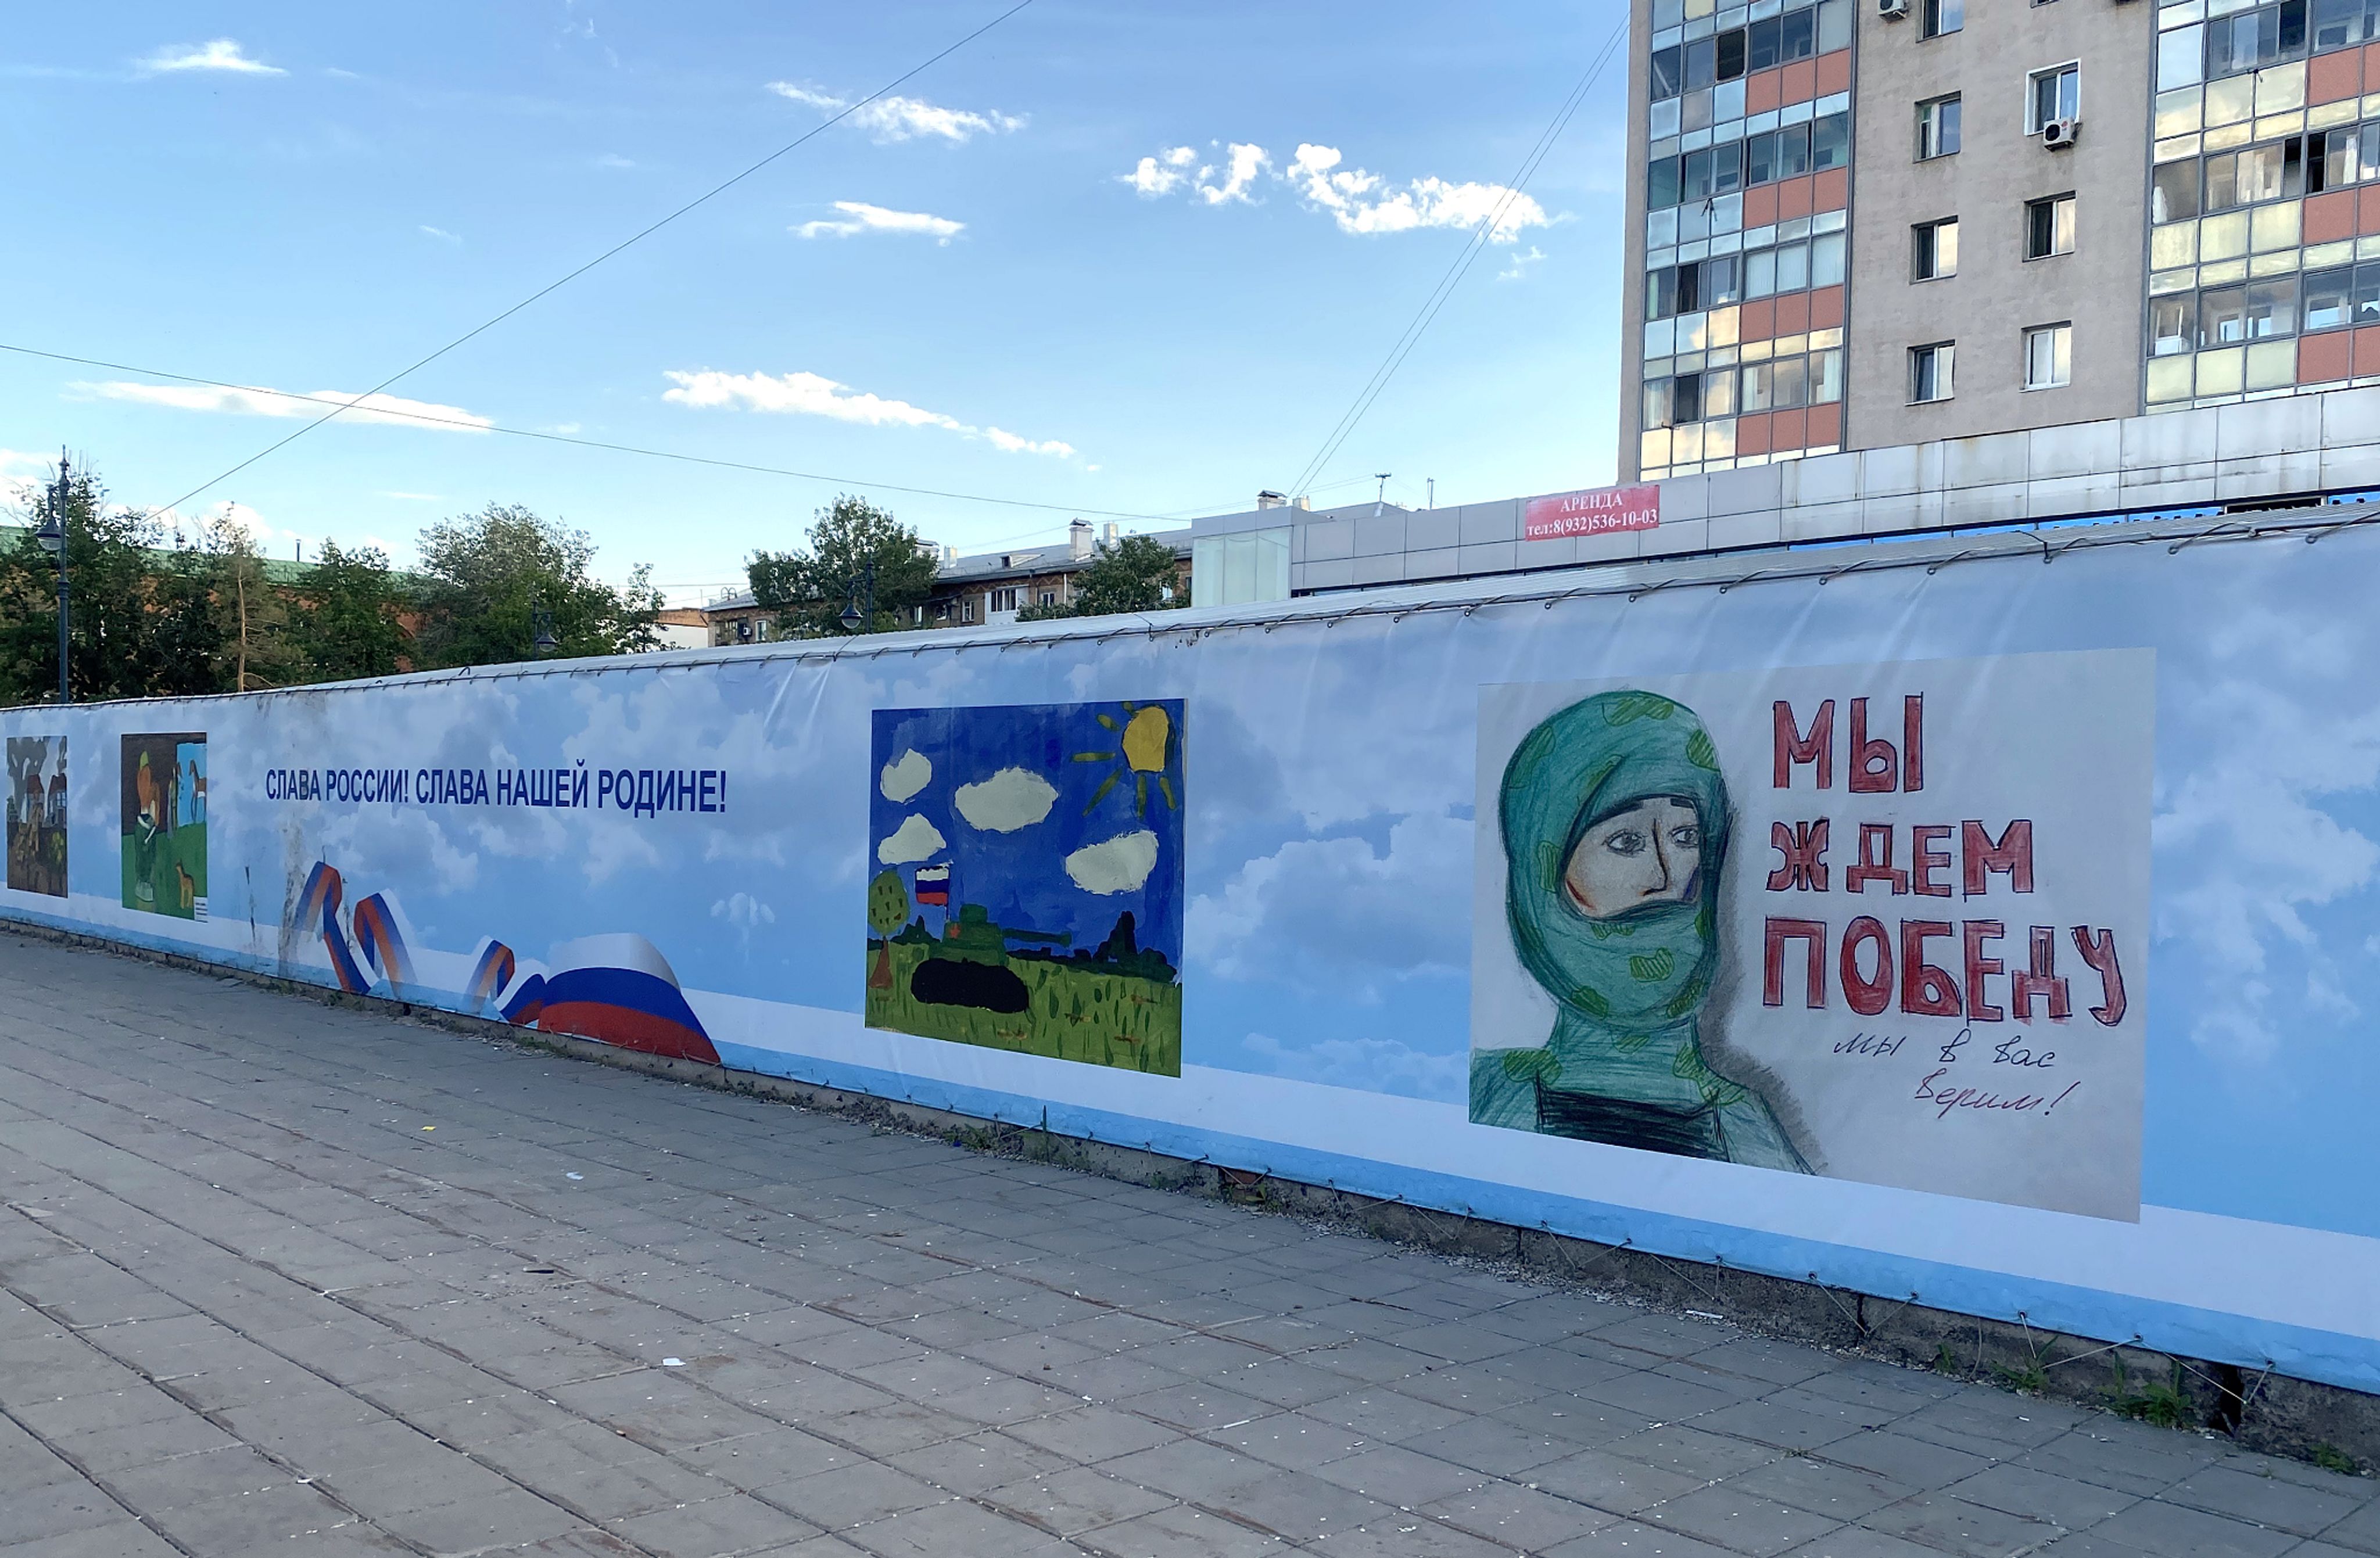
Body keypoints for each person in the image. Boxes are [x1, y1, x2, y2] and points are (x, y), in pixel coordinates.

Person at [1470, 690, 1808, 1171]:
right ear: (1545, 872)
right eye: (1626, 841)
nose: (1666, 875)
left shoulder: (1745, 1126)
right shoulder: (1487, 1092)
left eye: (1686, 837)